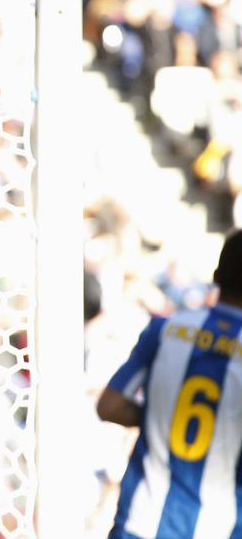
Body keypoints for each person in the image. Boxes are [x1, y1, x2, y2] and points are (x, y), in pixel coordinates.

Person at [98, 229, 242, 538]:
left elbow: (109, 406)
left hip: (140, 522)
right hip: (219, 529)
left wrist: (161, 418)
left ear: (216, 276)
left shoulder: (166, 329)